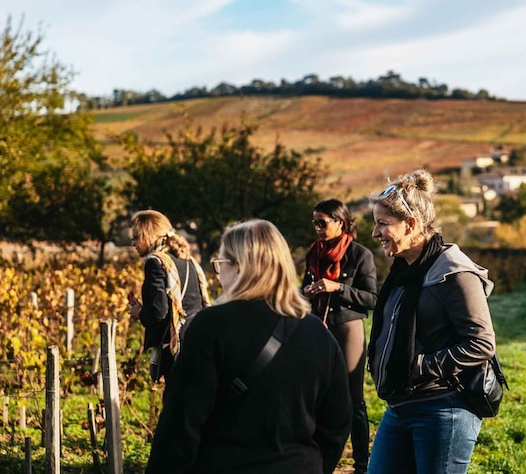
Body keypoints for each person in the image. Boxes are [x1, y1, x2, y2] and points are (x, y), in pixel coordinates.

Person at [146, 219, 352, 474]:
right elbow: (337, 424)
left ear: (240, 267)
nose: (218, 274)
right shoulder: (318, 334)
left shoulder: (211, 326)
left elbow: (181, 424)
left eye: (220, 264)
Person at [367, 169, 496, 474]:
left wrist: (421, 365)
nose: (375, 233)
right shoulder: (403, 271)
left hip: (442, 408)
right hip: (399, 407)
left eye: (383, 224)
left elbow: (482, 343)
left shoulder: (454, 273)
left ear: (410, 224)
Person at [302, 199, 378, 474]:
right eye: (315, 223)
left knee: (352, 399)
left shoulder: (359, 255)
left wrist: (338, 288)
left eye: (323, 223)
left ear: (340, 222)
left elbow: (372, 298)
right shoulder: (313, 253)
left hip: (347, 329)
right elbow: (302, 291)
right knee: (316, 396)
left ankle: (361, 464)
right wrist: (307, 292)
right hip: (315, 328)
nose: (318, 229)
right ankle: (318, 460)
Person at [128, 209, 212, 382]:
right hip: (196, 339)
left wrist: (140, 313)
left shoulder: (155, 262)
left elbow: (160, 311)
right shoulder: (188, 261)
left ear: (149, 236)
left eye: (136, 237)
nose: (133, 243)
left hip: (174, 346)